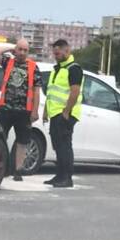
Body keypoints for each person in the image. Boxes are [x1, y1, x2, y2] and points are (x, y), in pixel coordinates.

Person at [0, 38, 41, 182]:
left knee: (22, 141)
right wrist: (10, 48)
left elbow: (36, 91)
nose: (22, 53)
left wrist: (35, 111)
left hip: (24, 111)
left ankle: (18, 170)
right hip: (6, 108)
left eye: (25, 50)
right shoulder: (8, 62)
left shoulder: (33, 67)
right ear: (16, 50)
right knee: (0, 138)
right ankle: (2, 167)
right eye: (20, 49)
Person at [42, 38, 83, 188]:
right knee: (57, 146)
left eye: (58, 53)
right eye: (55, 53)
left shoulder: (74, 68)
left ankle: (67, 177)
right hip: (55, 113)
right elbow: (51, 93)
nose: (56, 55)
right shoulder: (57, 69)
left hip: (66, 114)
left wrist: (66, 112)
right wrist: (46, 111)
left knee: (65, 146)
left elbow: (75, 92)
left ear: (67, 50)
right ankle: (59, 175)